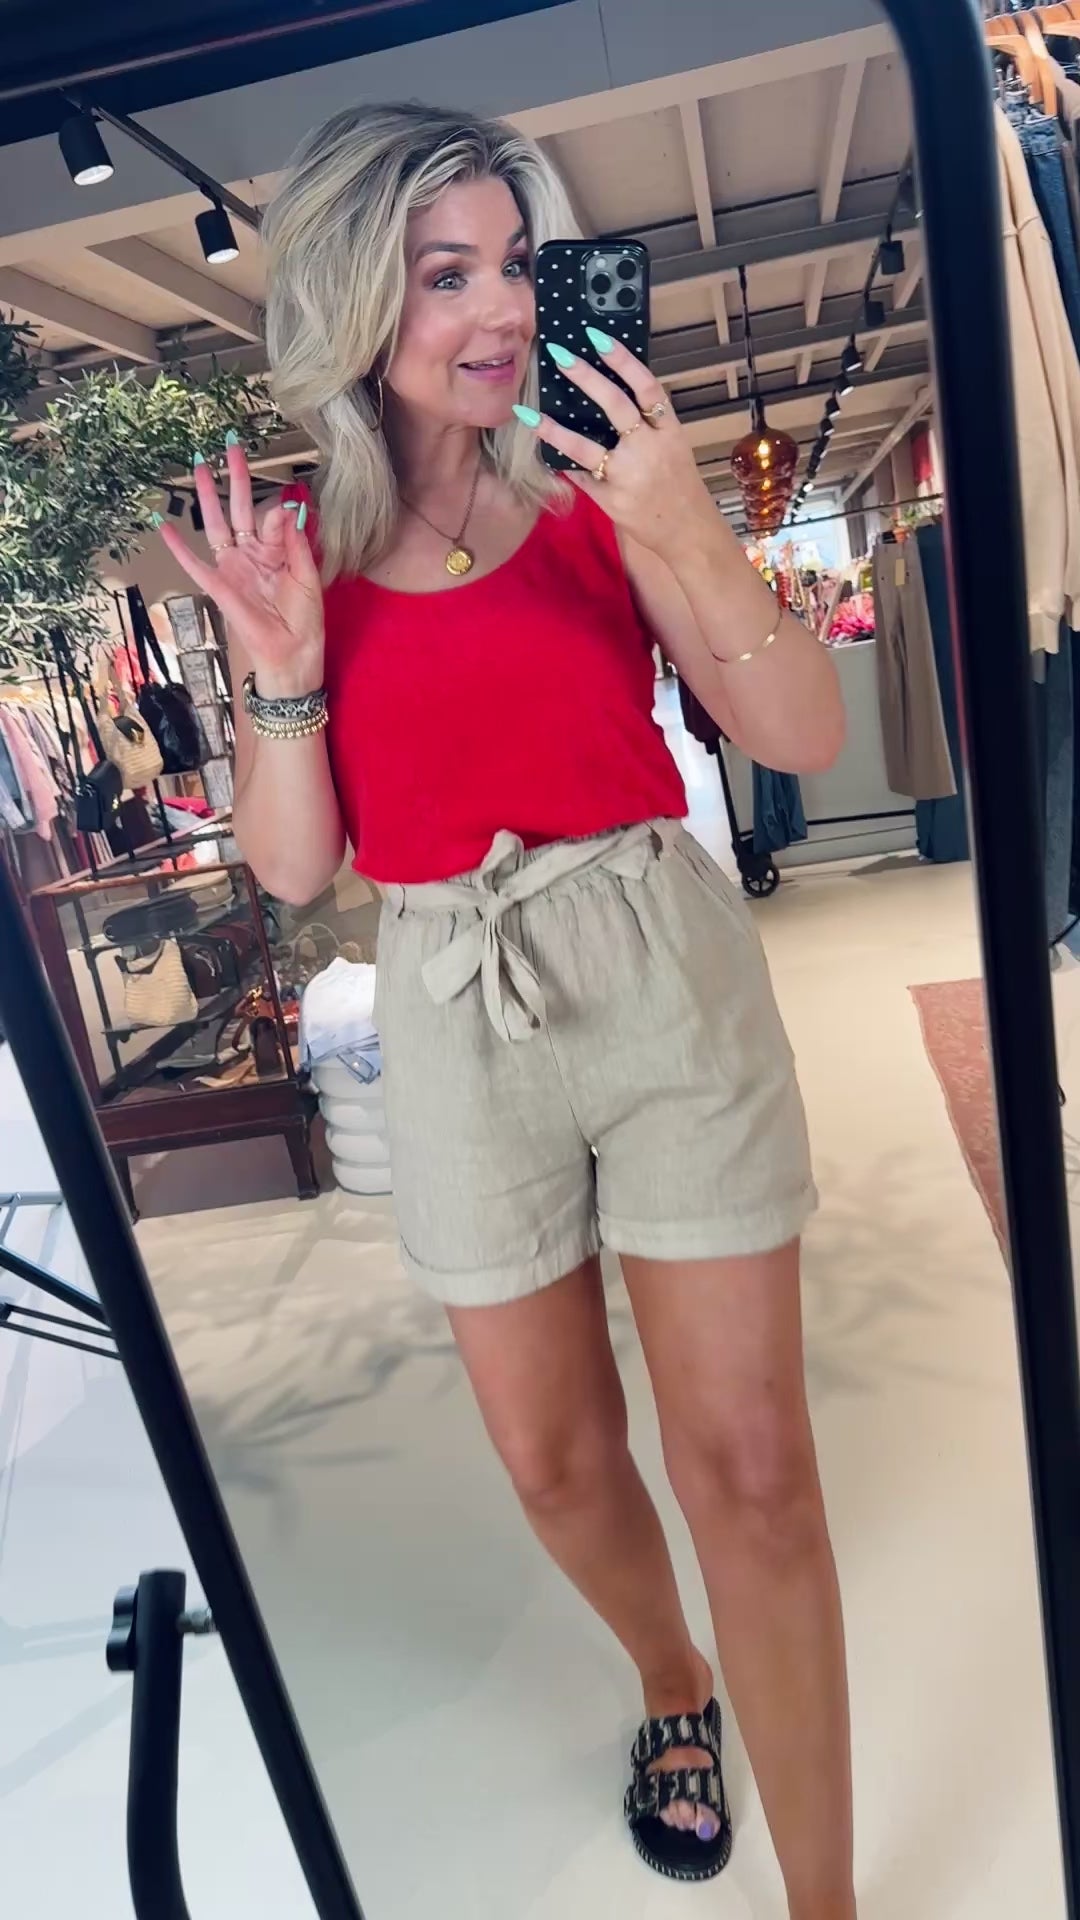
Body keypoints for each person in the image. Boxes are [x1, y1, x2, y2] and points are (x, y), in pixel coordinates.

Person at [156, 101, 854, 1917]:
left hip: (654, 963)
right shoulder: (297, 552)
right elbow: (298, 867)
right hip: (454, 993)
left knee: (752, 1470)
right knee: (552, 1462)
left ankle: (830, 1902)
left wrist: (685, 526)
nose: (500, 311)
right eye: (445, 274)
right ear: (352, 301)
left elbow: (800, 731)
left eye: (519, 267)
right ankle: (671, 1675)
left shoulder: (599, 488)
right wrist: (283, 673)